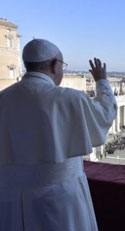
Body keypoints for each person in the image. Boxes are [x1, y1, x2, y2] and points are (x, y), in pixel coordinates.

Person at [0, 39, 117, 231]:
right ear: (55, 66)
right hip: (59, 201)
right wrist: (102, 81)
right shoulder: (70, 99)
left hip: (9, 202)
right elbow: (105, 114)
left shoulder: (2, 100)